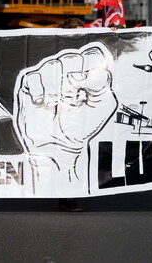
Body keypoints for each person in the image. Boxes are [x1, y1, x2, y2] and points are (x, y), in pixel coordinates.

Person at [56, 17, 86, 211]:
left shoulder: (87, 46)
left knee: (76, 153)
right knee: (64, 153)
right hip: (59, 111)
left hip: (80, 111)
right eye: (77, 31)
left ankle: (69, 194)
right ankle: (67, 196)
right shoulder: (56, 46)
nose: (81, 35)